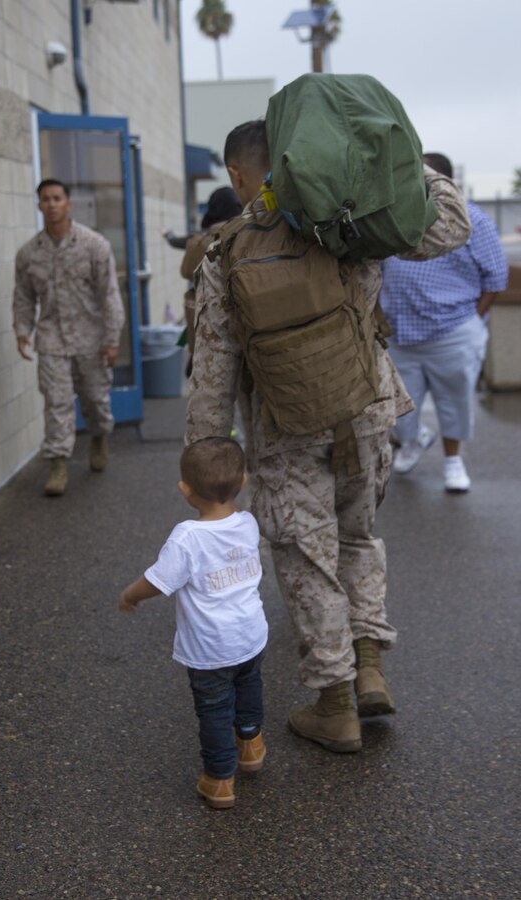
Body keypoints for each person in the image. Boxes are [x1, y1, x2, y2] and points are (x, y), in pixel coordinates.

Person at [185, 121, 472, 753]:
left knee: (306, 557)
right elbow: (454, 223)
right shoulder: (347, 228)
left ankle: (334, 703)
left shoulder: (224, 252)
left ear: (237, 175)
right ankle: (368, 662)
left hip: (284, 429)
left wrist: (208, 472)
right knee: (357, 536)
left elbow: (212, 373)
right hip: (366, 414)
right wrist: (398, 162)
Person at [119, 437, 267, 810]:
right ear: (243, 480)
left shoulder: (187, 538)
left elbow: (159, 580)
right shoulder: (247, 523)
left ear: (185, 490)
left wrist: (131, 595)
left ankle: (219, 780)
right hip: (251, 634)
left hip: (211, 646)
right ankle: (250, 744)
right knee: (249, 688)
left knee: (215, 709)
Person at [380, 153, 509, 492]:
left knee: (455, 403)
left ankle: (453, 462)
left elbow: (495, 279)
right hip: (399, 334)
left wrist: (472, 322)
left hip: (452, 331)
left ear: (444, 185)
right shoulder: (392, 220)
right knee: (396, 407)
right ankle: (413, 440)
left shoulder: (474, 220)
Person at [13, 179, 125, 496]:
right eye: (45, 199)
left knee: (95, 398)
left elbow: (109, 296)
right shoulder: (28, 254)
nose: (51, 204)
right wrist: (22, 331)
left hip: (91, 339)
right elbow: (23, 298)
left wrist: (112, 338)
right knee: (57, 403)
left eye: (57, 198)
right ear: (39, 206)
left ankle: (100, 436)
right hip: (51, 340)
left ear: (68, 203)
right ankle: (58, 465)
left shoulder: (95, 246)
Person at [163, 186, 242, 358]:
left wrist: (168, 234)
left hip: (208, 342)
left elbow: (178, 245)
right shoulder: (250, 238)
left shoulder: (201, 243)